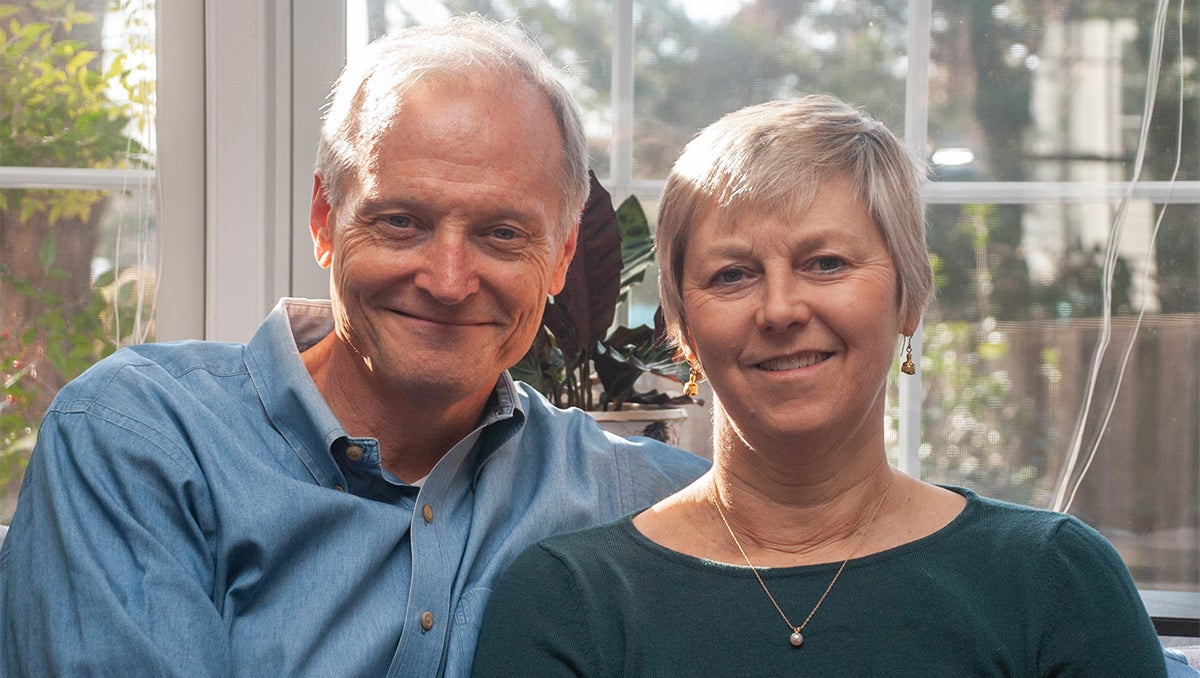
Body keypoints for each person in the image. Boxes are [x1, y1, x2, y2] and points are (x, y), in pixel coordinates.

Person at [0, 16, 707, 677]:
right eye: (402, 222)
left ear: (561, 257)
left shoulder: (641, 496)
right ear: (324, 219)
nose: (449, 280)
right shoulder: (139, 438)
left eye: (502, 234)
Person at [471, 94, 1175, 676]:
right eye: (732, 274)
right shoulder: (568, 600)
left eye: (828, 263)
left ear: (910, 298)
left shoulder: (1053, 580)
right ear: (682, 327)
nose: (780, 309)